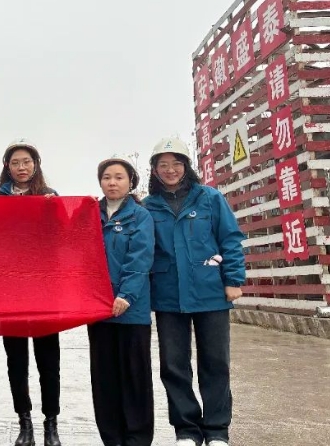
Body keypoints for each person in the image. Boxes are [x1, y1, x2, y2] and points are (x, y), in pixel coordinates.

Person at [143, 137, 245, 446]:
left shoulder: (210, 198)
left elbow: (230, 239)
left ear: (186, 166)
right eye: (163, 165)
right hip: (168, 294)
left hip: (210, 291)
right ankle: (186, 430)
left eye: (176, 164)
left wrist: (233, 280)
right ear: (154, 170)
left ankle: (216, 430)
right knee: (174, 365)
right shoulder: (148, 206)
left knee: (215, 362)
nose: (170, 170)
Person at [0, 138, 62, 446]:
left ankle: (51, 423)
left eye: (27, 162)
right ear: (7, 167)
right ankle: (25, 422)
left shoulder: (49, 196)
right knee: (16, 362)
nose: (22, 167)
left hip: (44, 292)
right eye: (16, 162)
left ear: (36, 165)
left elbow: (64, 237)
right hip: (10, 293)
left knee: (49, 361)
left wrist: (55, 211)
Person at [88, 157, 155, 446]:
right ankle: (112, 437)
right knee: (104, 377)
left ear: (130, 182)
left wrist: (126, 295)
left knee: (134, 377)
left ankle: (137, 438)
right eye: (107, 177)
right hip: (97, 309)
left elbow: (140, 258)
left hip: (131, 311)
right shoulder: (90, 214)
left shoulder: (140, 216)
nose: (112, 183)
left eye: (119, 177)